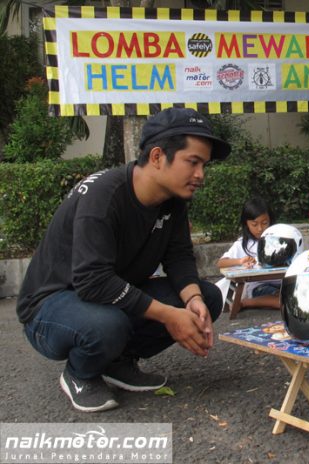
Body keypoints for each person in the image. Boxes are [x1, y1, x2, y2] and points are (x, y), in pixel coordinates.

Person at [16, 107, 230, 412]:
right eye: (192, 162)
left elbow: (179, 256)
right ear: (157, 157)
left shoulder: (173, 201)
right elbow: (92, 282)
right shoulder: (103, 196)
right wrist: (169, 316)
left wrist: (192, 300)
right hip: (50, 306)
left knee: (207, 297)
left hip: (107, 296)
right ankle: (80, 373)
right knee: (108, 325)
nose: (200, 175)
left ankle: (116, 362)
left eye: (204, 165)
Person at [215, 197, 281, 310]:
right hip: (259, 286)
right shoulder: (242, 244)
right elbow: (220, 263)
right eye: (254, 225)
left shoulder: (280, 239)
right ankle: (247, 303)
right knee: (285, 301)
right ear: (246, 224)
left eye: (265, 223)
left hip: (282, 282)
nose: (260, 228)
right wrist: (240, 261)